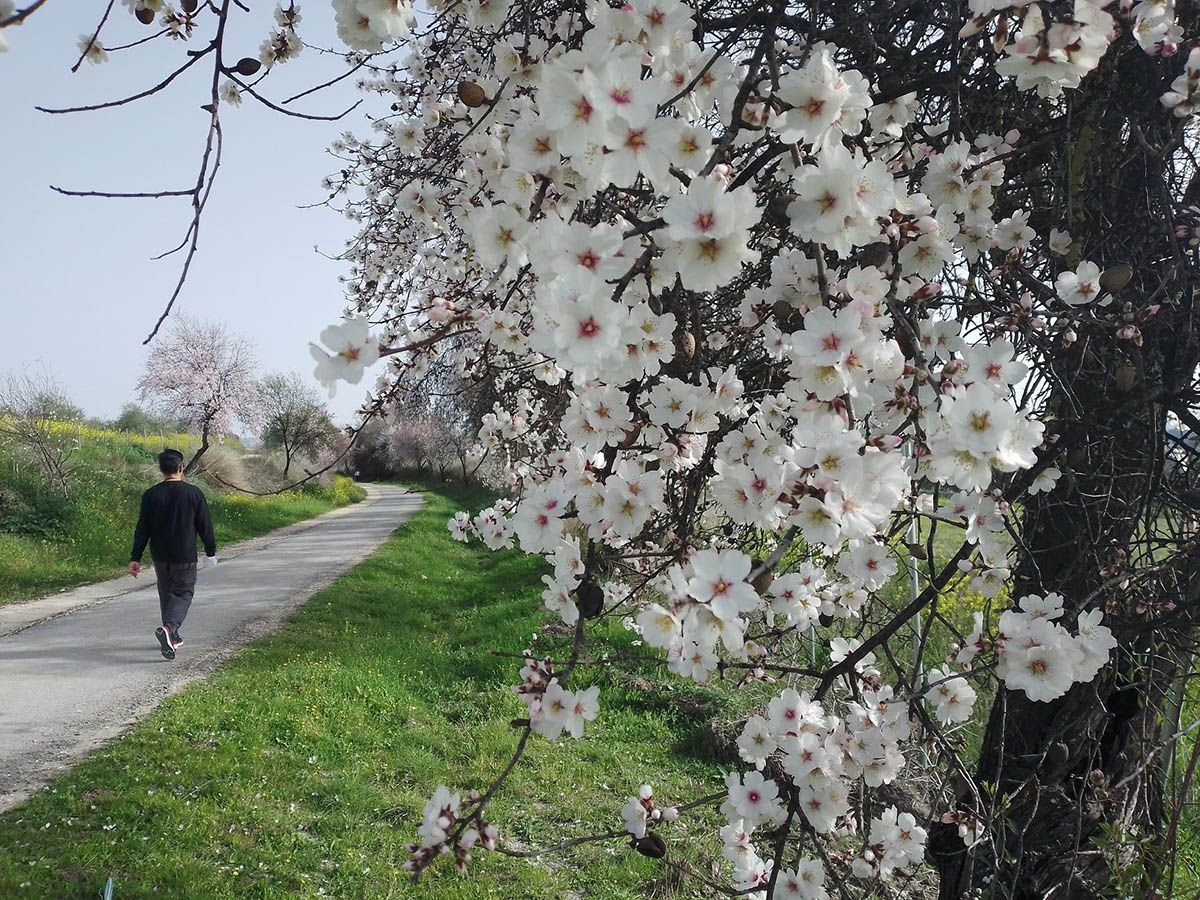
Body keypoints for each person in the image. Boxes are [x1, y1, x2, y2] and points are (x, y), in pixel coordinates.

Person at [128, 449, 218, 660]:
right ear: (181, 468)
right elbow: (205, 526)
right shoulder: (193, 493)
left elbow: (142, 529)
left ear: (161, 470)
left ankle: (172, 637)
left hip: (160, 555)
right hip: (184, 555)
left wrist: (135, 557)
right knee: (183, 593)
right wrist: (210, 552)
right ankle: (169, 629)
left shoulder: (151, 495)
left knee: (167, 594)